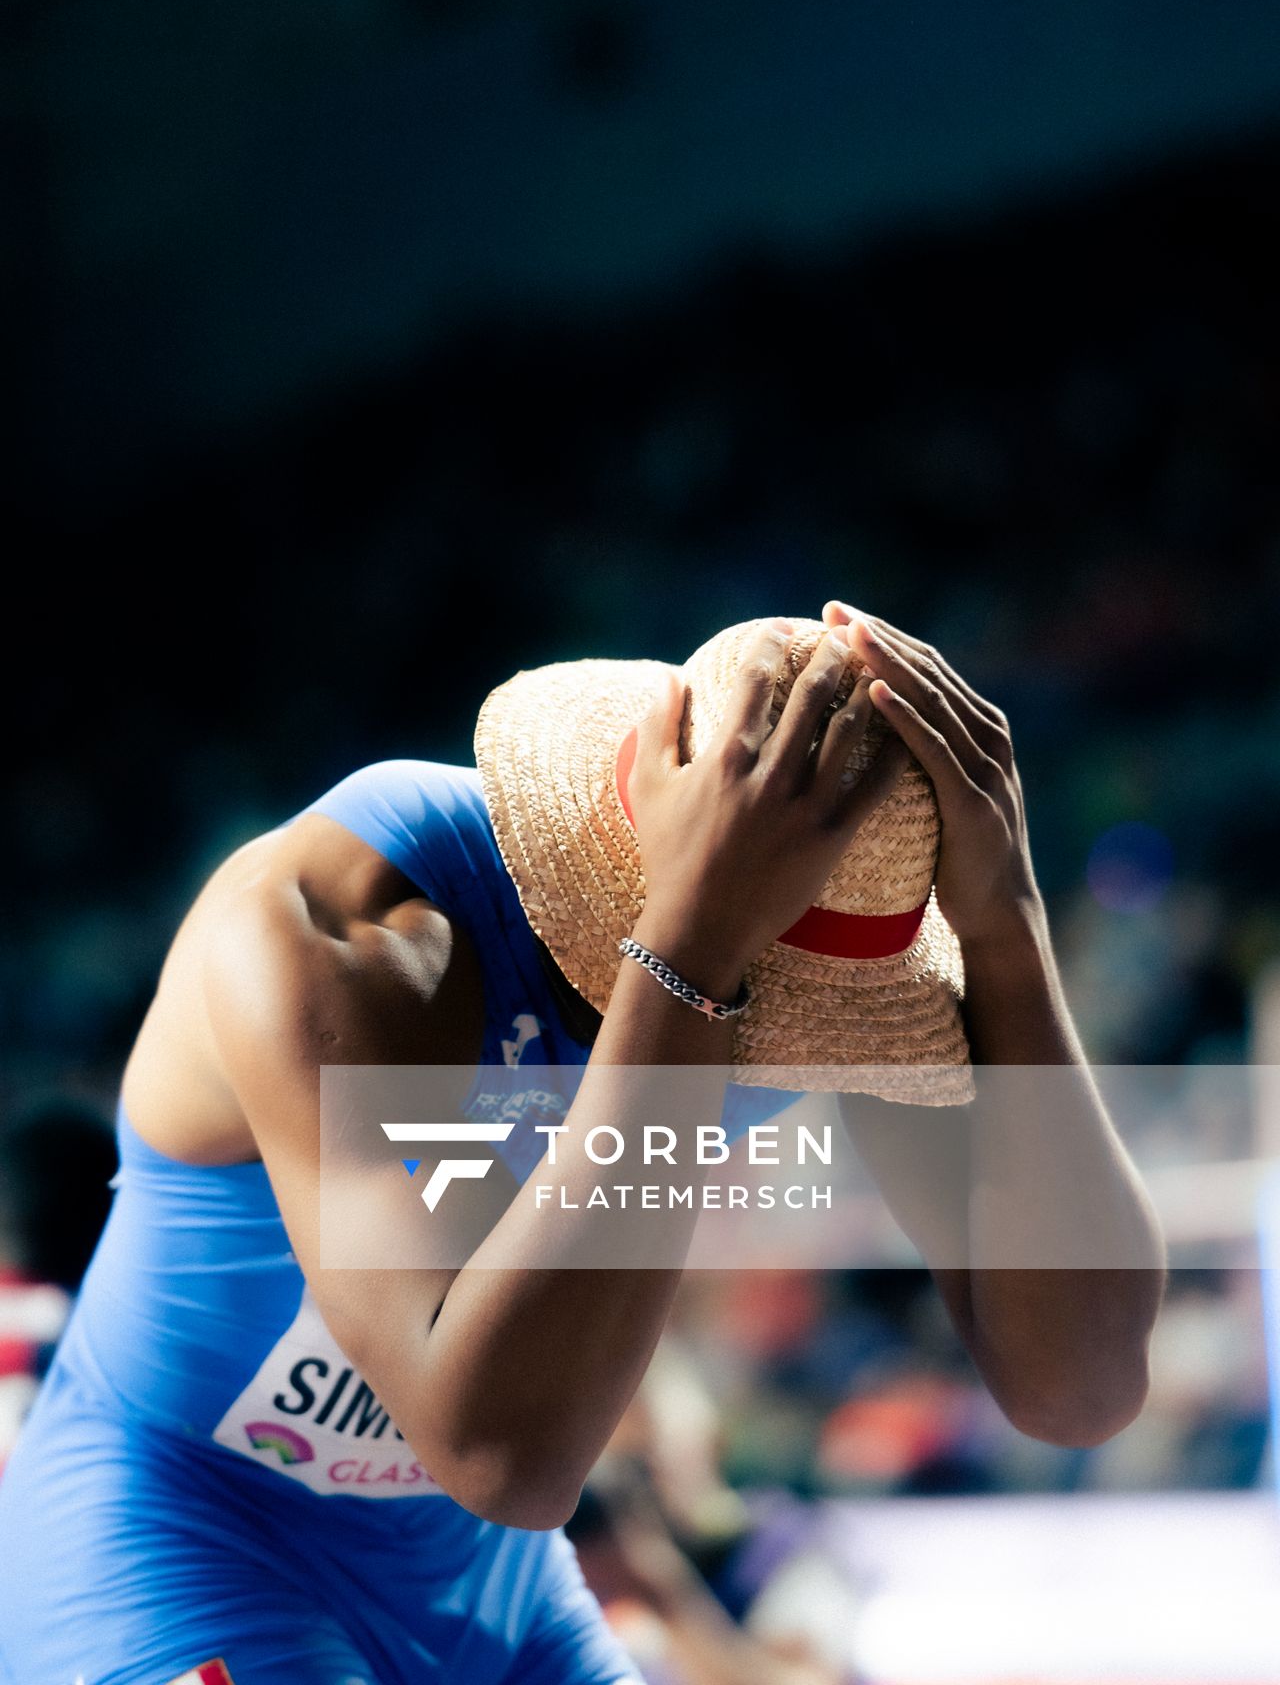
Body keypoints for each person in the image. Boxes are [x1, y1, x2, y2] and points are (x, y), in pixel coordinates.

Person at [0, 602, 1167, 1685]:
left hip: (489, 1583)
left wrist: (1004, 932)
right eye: (786, 994)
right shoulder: (335, 922)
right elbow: (498, 1450)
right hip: (184, 1530)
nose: (802, 1033)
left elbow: (1079, 1383)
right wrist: (692, 962)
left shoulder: (829, 975)